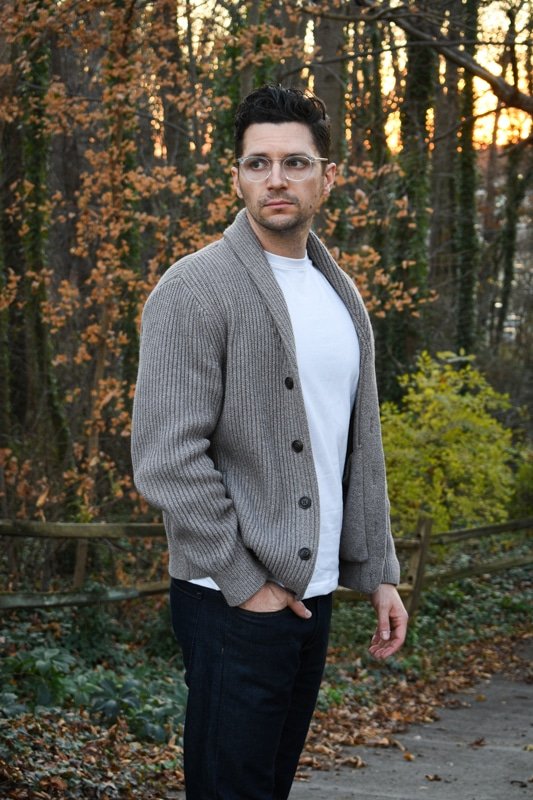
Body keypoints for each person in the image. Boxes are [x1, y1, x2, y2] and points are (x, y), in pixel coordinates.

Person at [131, 84, 408, 800]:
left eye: (294, 162)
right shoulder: (194, 289)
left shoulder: (337, 291)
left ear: (328, 175)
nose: (275, 179)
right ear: (236, 175)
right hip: (231, 599)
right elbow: (165, 458)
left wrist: (377, 569)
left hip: (311, 599)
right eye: (257, 163)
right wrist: (243, 581)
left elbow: (352, 445)